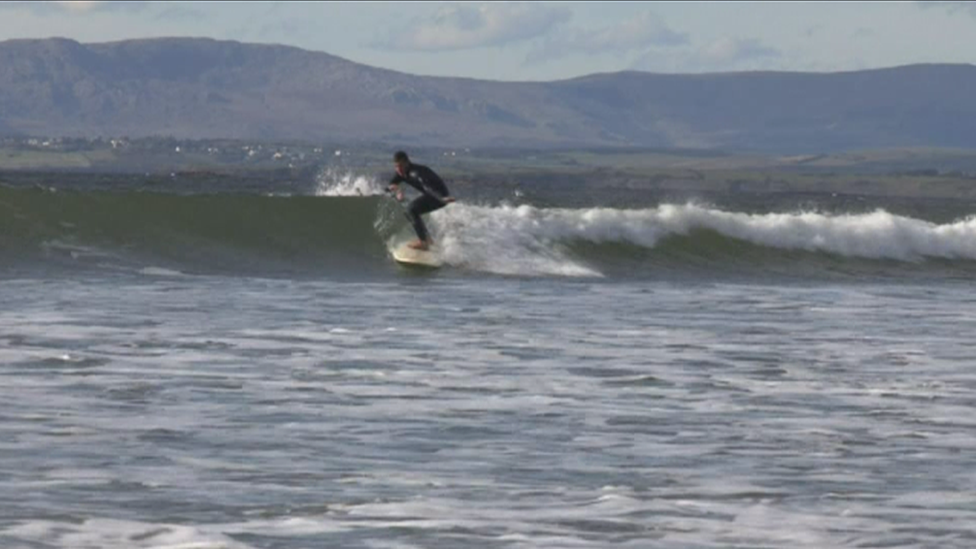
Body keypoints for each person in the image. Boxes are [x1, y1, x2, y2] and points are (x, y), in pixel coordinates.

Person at [387, 150, 455, 250]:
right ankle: (427, 239)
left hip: (439, 195)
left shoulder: (415, 173)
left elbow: (427, 187)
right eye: (396, 166)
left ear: (407, 163)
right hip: (434, 195)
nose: (399, 169)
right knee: (410, 212)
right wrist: (397, 189)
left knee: (411, 209)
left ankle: (424, 242)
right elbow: (392, 183)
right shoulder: (402, 173)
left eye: (401, 166)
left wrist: (441, 198)